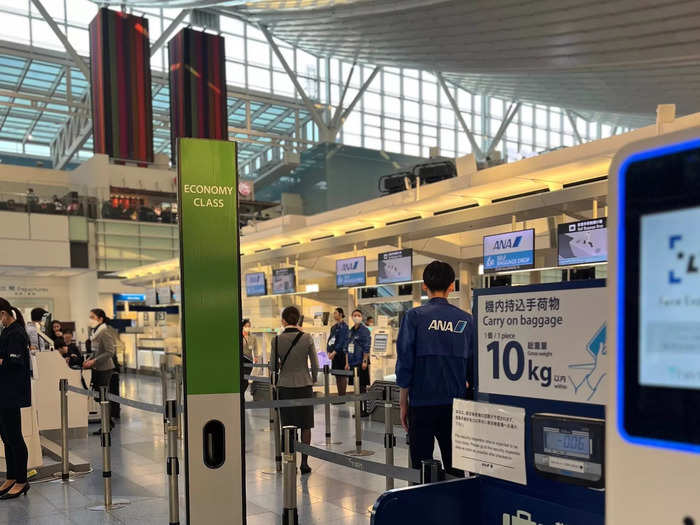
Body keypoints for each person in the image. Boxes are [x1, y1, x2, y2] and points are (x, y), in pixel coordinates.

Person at [395, 261, 474, 476]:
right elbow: (473, 367)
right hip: (455, 405)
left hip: (421, 403)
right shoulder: (466, 320)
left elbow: (405, 362)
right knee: (456, 467)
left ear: (424, 286)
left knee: (421, 468)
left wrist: (403, 402)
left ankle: (423, 508)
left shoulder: (414, 317)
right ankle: (457, 506)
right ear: (452, 286)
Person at [271, 306, 319, 475]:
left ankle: (290, 461)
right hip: (304, 385)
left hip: (284, 386)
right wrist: (312, 379)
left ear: (283, 321)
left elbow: (272, 366)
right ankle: (304, 463)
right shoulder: (307, 338)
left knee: (288, 425)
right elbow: (315, 364)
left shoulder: (276, 340)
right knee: (306, 425)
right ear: (298, 319)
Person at [0, 297, 31, 499]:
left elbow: (13, 361)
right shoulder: (6, 332)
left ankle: (22, 480)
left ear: (3, 313)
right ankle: (11, 476)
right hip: (3, 392)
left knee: (15, 437)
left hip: (11, 392)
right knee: (6, 437)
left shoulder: (17, 333)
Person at [83, 309, 117, 432]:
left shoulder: (104, 332)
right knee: (99, 397)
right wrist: (89, 360)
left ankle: (106, 425)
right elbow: (96, 351)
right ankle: (108, 422)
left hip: (105, 368)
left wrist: (94, 361)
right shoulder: (95, 332)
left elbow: (109, 351)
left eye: (92, 317)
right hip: (97, 368)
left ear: (100, 319)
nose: (90, 319)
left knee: (103, 397)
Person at [346, 309, 371, 417]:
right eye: (355, 315)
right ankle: (358, 409)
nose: (356, 317)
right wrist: (347, 363)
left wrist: (365, 361)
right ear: (351, 317)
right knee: (356, 388)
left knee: (362, 387)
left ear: (361, 317)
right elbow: (347, 347)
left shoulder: (364, 330)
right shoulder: (351, 331)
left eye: (358, 315)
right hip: (352, 362)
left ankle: (364, 409)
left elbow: (367, 347)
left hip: (361, 362)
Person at [326, 307, 349, 397]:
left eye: (335, 313)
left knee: (342, 375)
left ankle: (342, 395)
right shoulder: (333, 327)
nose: (334, 315)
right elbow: (330, 340)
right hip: (333, 355)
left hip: (341, 354)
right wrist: (328, 351)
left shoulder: (344, 327)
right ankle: (340, 394)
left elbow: (342, 341)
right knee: (337, 375)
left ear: (340, 314)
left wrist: (334, 352)